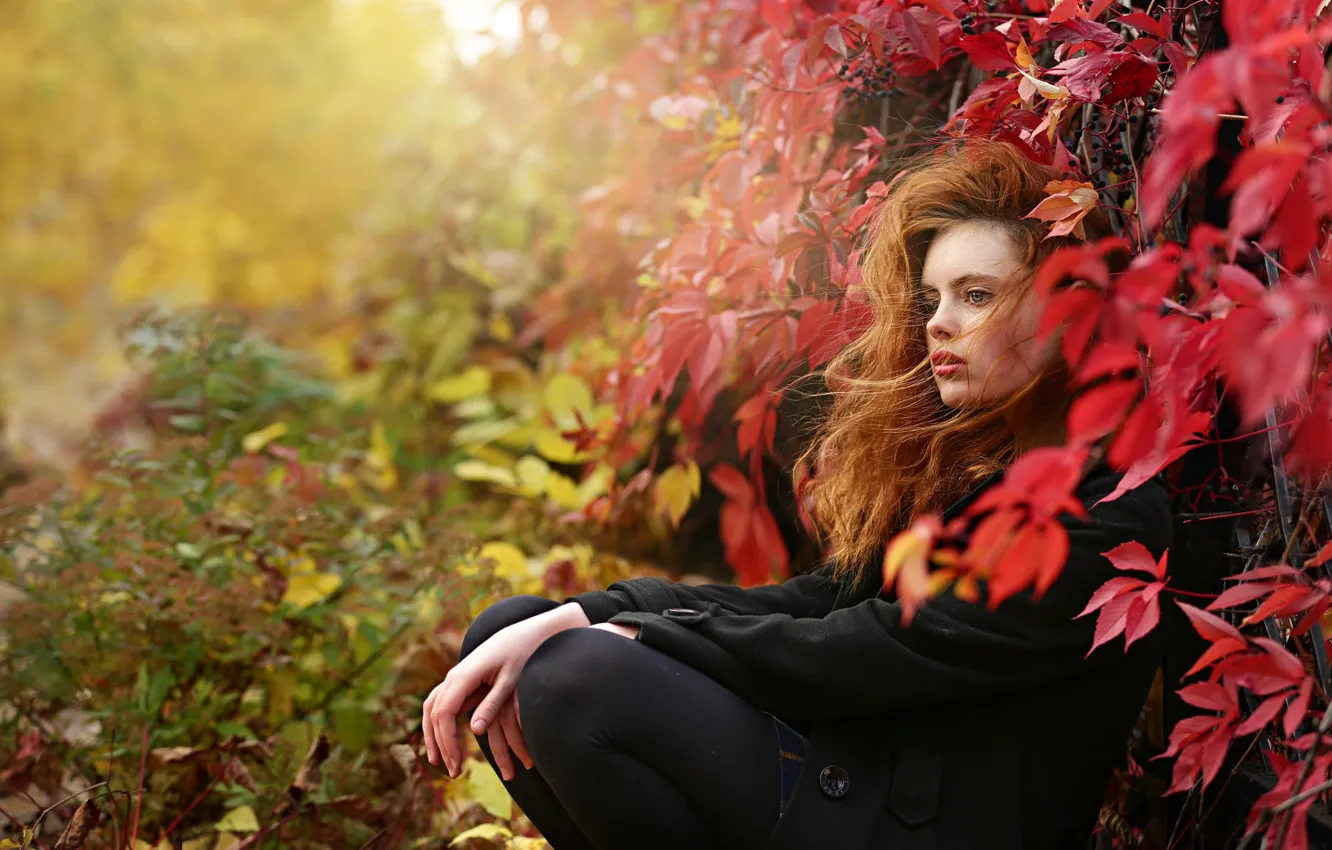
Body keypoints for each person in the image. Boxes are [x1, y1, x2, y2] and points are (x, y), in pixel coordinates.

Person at [420, 138, 1170, 850]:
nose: (939, 323)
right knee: (515, 629)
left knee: (576, 675)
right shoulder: (985, 483)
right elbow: (821, 600)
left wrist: (645, 637)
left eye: (976, 295)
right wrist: (602, 610)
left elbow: (871, 647)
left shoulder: (1105, 517)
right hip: (854, 795)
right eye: (934, 297)